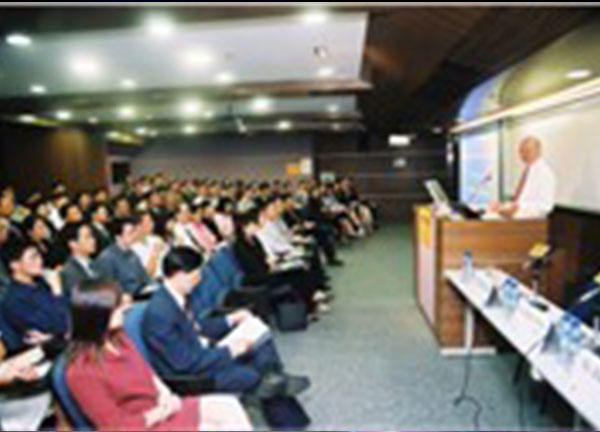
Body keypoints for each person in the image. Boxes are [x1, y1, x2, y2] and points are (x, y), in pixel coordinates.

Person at [66, 279, 252, 431]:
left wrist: (165, 393)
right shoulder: (81, 372)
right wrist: (160, 413)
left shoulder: (118, 337)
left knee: (229, 406)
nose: (125, 308)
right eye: (116, 306)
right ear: (96, 315)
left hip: (160, 407)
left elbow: (146, 370)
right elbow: (115, 427)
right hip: (145, 423)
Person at [142, 247, 310, 397]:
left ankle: (275, 379)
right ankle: (275, 384)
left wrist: (229, 320)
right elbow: (184, 363)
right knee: (249, 375)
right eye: (195, 276)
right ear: (179, 274)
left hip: (201, 352)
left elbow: (196, 326)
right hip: (191, 374)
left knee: (261, 341)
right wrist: (230, 351)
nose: (199, 280)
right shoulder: (160, 313)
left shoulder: (176, 297)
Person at [1, 239, 70, 344]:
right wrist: (57, 292)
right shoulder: (14, 300)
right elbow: (58, 325)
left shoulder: (43, 282)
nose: (40, 261)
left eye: (39, 256)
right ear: (15, 265)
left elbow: (75, 311)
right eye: (33, 257)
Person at [490, 136, 556, 219]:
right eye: (521, 152)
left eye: (527, 151)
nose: (523, 155)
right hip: (517, 219)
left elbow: (545, 206)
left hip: (532, 223)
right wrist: (503, 206)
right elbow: (521, 200)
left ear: (538, 152)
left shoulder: (545, 173)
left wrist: (517, 207)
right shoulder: (527, 170)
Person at [95, 217, 152, 297]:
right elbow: (105, 289)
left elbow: (145, 278)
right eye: (130, 233)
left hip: (140, 294)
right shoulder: (107, 258)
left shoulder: (133, 254)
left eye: (134, 232)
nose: (134, 235)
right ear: (118, 237)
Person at [59, 222, 98, 295]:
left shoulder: (94, 263)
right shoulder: (70, 272)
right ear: (73, 244)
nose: (93, 240)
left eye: (92, 236)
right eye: (87, 237)